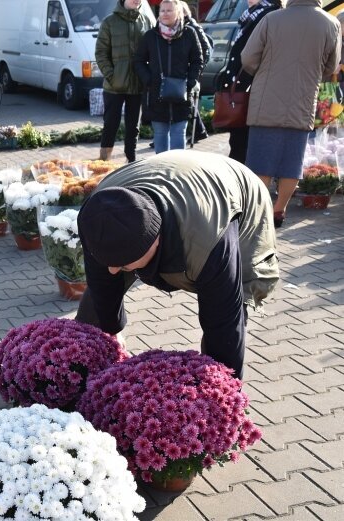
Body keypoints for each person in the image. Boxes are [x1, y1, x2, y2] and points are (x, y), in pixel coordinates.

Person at [75, 150, 279, 380]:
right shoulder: (97, 216)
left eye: (121, 263)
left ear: (155, 241)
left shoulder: (209, 239)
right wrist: (109, 333)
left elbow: (224, 324)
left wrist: (224, 397)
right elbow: (102, 284)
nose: (112, 270)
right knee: (102, 289)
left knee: (230, 300)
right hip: (166, 175)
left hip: (236, 190)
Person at [241, 0, 340, 228]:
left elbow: (248, 57)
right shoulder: (330, 23)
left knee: (261, 161)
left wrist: (264, 71)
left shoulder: (271, 18)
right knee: (291, 162)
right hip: (303, 97)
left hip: (266, 99)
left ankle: (257, 211)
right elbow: (331, 65)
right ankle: (279, 210)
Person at [215, 0, 283, 164]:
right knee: (238, 141)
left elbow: (252, 55)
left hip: (250, 87)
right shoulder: (250, 15)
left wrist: (244, 77)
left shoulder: (267, 14)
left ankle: (242, 184)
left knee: (242, 144)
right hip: (240, 86)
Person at [135, 0, 203, 153]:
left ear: (178, 13)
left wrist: (190, 82)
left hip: (181, 96)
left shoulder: (189, 34)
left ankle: (177, 173)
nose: (165, 14)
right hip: (157, 95)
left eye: (169, 10)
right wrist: (149, 80)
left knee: (179, 134)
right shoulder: (150, 36)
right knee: (160, 135)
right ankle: (162, 172)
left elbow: (197, 60)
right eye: (162, 11)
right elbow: (138, 61)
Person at [94, 0, 154, 162]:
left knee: (133, 126)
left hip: (137, 84)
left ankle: (131, 160)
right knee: (111, 125)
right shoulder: (109, 22)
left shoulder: (146, 21)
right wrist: (112, 76)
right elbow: (101, 53)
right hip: (114, 86)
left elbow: (152, 51)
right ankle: (104, 161)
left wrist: (147, 76)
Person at [180, 1, 211, 144]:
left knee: (188, 100)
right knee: (188, 101)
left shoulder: (191, 27)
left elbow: (204, 50)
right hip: (189, 69)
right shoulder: (189, 25)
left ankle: (199, 130)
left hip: (191, 70)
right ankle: (200, 130)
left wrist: (197, 70)